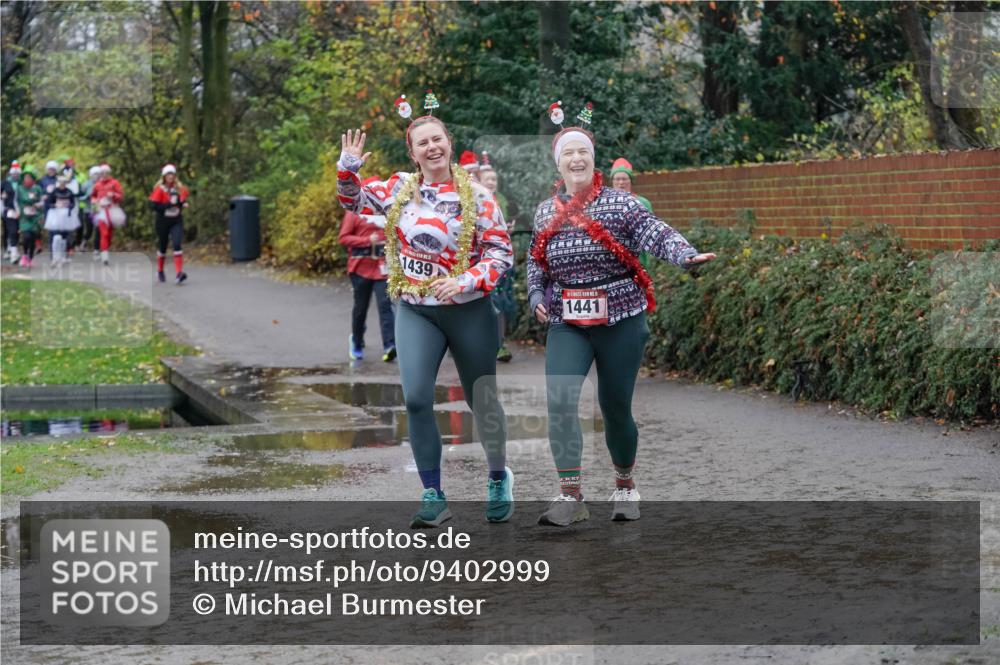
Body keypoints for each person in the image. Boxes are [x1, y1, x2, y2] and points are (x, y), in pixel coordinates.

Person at [527, 112, 716, 526]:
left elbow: (655, 232)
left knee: (615, 409)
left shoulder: (621, 204)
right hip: (566, 320)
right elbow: (536, 261)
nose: (576, 159)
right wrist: (535, 294)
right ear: (557, 163)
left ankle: (625, 485)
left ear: (593, 159)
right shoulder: (544, 213)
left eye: (583, 152)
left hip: (621, 318)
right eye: (568, 153)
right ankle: (570, 495)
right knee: (560, 402)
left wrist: (684, 254)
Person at [337, 110, 514, 528]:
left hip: (469, 312)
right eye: (423, 143)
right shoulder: (399, 188)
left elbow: (501, 253)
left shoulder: (478, 197)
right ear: (413, 152)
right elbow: (354, 201)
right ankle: (433, 494)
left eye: (438, 139)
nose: (432, 147)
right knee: (416, 398)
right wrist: (348, 169)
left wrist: (466, 280)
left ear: (448, 142)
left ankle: (497, 477)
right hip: (416, 310)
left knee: (481, 399)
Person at [338, 197, 396, 362]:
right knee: (360, 308)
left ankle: (389, 345)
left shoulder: (387, 211)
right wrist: (366, 241)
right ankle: (356, 341)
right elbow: (343, 238)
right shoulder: (354, 212)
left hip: (382, 268)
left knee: (385, 306)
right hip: (360, 268)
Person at [479, 152, 516, 363]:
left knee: (501, 303)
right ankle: (483, 343)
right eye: (488, 179)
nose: (492, 182)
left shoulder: (501, 199)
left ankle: (500, 344)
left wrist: (508, 228)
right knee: (486, 303)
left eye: (494, 179)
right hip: (480, 262)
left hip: (501, 261)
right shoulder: (474, 199)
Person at [148, 164, 189, 284]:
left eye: (172, 174)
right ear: (164, 176)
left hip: (176, 220)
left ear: (175, 176)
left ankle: (179, 274)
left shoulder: (180, 188)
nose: (170, 176)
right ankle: (160, 270)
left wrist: (183, 204)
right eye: (168, 174)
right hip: (163, 222)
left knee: (177, 243)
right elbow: (153, 206)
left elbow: (181, 200)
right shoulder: (160, 189)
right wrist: (168, 205)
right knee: (163, 247)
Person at [610, 157, 654, 268]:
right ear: (612, 182)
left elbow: (651, 233)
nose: (621, 183)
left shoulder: (642, 203)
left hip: (638, 263)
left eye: (624, 179)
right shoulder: (606, 204)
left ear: (630, 181)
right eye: (617, 179)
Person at [91, 163, 124, 265]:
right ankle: (104, 255)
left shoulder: (115, 183)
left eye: (106, 173)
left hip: (113, 210)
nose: (104, 175)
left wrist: (113, 195)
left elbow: (121, 196)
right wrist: (94, 204)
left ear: (109, 173)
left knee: (109, 234)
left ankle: (105, 248)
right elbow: (93, 196)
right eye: (102, 173)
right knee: (104, 233)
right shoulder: (97, 185)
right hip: (101, 211)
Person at [43, 173, 80, 265]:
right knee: (56, 236)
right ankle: (54, 257)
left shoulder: (69, 191)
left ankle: (63, 256)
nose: (62, 184)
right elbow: (48, 203)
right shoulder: (54, 192)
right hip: (55, 215)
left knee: (64, 237)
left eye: (63, 182)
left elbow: (73, 203)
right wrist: (55, 205)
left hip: (66, 216)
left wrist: (69, 206)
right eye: (60, 182)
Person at [15, 165, 44, 268]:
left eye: (30, 177)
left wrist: (38, 205)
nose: (28, 179)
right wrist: (18, 211)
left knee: (32, 238)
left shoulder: (37, 189)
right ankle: (24, 255)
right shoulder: (19, 189)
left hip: (35, 216)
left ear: (33, 179)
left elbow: (42, 201)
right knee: (26, 236)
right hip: (24, 216)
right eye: (26, 177)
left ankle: (30, 258)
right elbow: (16, 201)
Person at [75, 165, 100, 252]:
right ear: (91, 175)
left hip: (99, 210)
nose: (96, 176)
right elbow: (79, 196)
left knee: (98, 229)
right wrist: (87, 196)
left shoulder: (102, 184)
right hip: (88, 210)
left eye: (98, 175)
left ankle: (97, 248)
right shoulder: (86, 184)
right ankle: (84, 242)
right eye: (94, 174)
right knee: (89, 229)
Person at [2, 161, 20, 264]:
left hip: (20, 210)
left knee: (16, 231)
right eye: (14, 173)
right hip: (9, 209)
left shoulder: (22, 182)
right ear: (11, 173)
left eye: (17, 173)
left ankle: (13, 248)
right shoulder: (6, 183)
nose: (15, 175)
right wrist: (2, 196)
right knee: (11, 231)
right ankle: (12, 253)